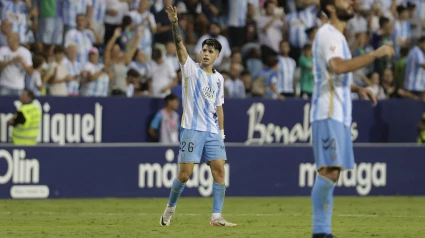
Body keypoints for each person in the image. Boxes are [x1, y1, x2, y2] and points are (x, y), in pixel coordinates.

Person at [310, 0, 395, 237]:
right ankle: (320, 232)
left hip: (338, 114)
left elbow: (333, 76)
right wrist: (376, 53)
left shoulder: (337, 36)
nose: (352, 2)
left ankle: (322, 232)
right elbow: (337, 68)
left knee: (332, 171)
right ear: (330, 7)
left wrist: (357, 89)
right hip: (328, 112)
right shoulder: (328, 34)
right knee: (329, 170)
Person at [159, 5, 236, 227]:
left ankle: (216, 217)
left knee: (220, 169)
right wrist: (174, 23)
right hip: (192, 130)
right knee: (184, 175)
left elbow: (219, 107)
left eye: (210, 51)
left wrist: (221, 132)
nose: (205, 53)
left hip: (212, 130)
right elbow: (179, 45)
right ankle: (170, 208)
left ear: (217, 55)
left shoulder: (220, 79)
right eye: (204, 49)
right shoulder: (190, 70)